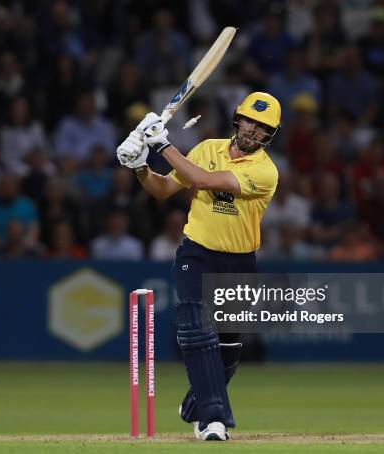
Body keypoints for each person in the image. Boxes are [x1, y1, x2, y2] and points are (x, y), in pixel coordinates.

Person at [116, 92, 281, 441]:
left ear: (270, 135)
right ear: (238, 119)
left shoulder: (265, 171)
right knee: (195, 325)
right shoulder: (207, 149)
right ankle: (214, 419)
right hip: (197, 253)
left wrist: (160, 144)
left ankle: (196, 405)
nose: (253, 131)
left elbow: (206, 181)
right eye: (249, 121)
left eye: (262, 128)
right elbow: (162, 189)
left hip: (239, 261)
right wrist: (140, 166)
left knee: (228, 350)